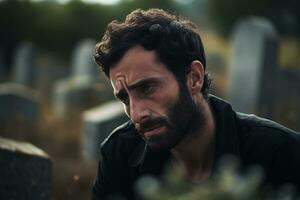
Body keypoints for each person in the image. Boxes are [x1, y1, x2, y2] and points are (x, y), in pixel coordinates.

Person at [92, 8, 300, 200]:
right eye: (124, 98)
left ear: (194, 77)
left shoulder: (281, 154)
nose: (137, 114)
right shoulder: (118, 153)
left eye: (147, 88)